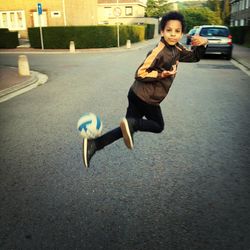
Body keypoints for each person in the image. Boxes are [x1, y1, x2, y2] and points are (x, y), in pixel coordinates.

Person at [82, 11, 208, 168]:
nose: (173, 35)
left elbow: (194, 57)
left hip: (137, 95)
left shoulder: (177, 48)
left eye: (177, 31)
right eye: (169, 30)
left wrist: (203, 43)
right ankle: (131, 124)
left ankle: (94, 144)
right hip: (145, 98)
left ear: (182, 33)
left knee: (126, 129)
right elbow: (140, 73)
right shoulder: (158, 51)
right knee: (157, 125)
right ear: (162, 31)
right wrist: (161, 74)